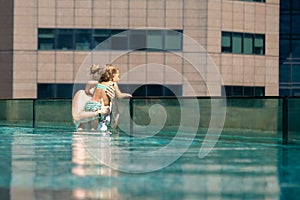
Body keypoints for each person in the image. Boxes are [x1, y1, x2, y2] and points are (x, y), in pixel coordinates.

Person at [84, 64, 132, 131]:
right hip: (100, 107)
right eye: (118, 76)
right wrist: (128, 95)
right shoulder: (112, 84)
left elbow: (89, 87)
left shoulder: (99, 83)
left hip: (90, 105)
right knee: (95, 128)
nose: (119, 79)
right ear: (112, 75)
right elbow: (119, 95)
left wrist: (89, 93)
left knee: (91, 128)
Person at [72, 64, 115, 131]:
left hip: (102, 138)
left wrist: (114, 100)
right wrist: (99, 113)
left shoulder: (107, 94)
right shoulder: (82, 94)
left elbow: (113, 125)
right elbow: (77, 117)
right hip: (84, 138)